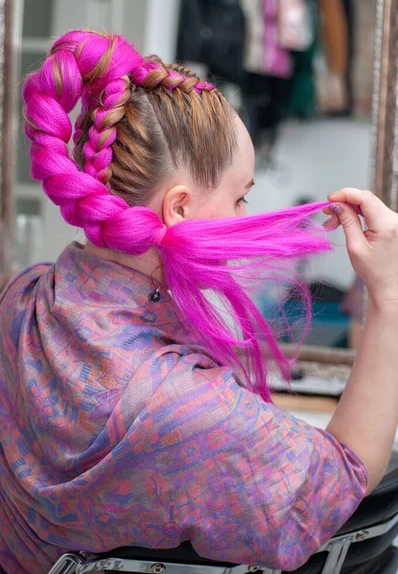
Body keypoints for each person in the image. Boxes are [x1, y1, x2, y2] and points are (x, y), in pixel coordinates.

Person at [1, 30, 398, 574]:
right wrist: (391, 296)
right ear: (179, 209)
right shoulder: (182, 408)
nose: (243, 218)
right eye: (240, 197)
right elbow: (340, 477)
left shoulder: (21, 299)